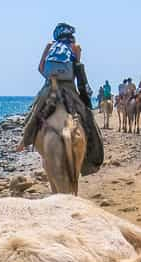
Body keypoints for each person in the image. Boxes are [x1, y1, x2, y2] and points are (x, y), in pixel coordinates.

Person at [19, 23, 103, 174]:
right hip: (69, 88)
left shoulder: (50, 45)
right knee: (87, 117)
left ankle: (24, 141)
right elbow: (77, 69)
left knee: (35, 112)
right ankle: (93, 157)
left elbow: (40, 67)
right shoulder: (76, 47)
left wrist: (50, 77)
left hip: (50, 87)